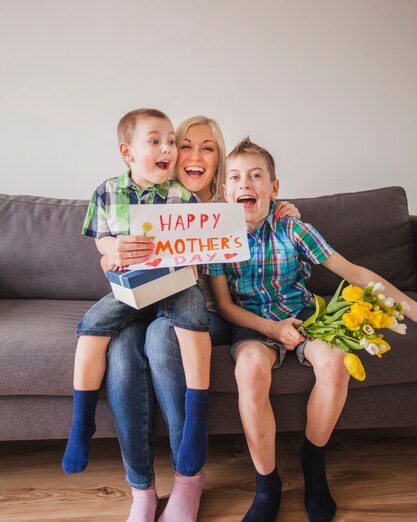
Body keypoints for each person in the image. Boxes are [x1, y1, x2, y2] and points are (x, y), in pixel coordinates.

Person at [85, 115, 300, 522]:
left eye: (208, 148)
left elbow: (269, 216)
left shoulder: (234, 202)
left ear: (219, 161)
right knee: (121, 353)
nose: (194, 156)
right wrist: (109, 252)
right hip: (148, 303)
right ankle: (141, 489)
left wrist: (285, 211)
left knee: (162, 338)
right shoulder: (156, 199)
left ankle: (189, 478)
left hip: (209, 313)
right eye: (186, 145)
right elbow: (114, 249)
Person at [206, 137, 417, 522]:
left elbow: (355, 274)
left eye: (256, 176)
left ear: (273, 188)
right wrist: (271, 328)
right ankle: (266, 483)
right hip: (254, 321)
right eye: (235, 177)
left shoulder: (294, 229)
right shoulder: (219, 238)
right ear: (225, 190)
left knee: (335, 361)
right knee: (249, 370)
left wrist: (414, 309)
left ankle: (313, 459)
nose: (245, 184)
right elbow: (223, 306)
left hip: (303, 314)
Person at [62, 108, 213, 522]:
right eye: (156, 141)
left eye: (171, 141)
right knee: (93, 327)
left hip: (174, 286)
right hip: (131, 292)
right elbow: (102, 240)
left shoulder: (183, 195)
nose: (167, 149)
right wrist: (109, 250)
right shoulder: (108, 191)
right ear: (127, 152)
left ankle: (196, 423)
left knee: (191, 306)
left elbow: (197, 247)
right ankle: (83, 425)